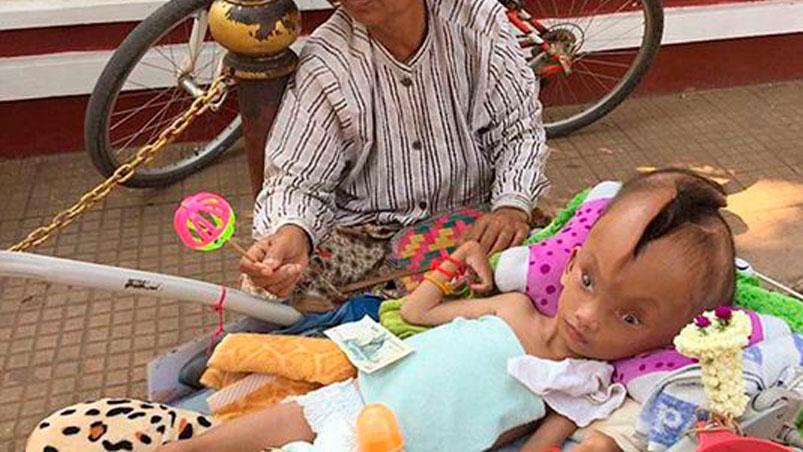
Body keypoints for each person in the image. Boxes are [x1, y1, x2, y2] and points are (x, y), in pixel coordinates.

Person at [157, 169, 737, 452]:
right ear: (570, 264)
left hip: (412, 446)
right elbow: (417, 311)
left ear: (667, 337)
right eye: (588, 280)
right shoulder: (510, 305)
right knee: (266, 424)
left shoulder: (590, 385)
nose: (588, 313)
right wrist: (450, 274)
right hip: (362, 393)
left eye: (630, 318)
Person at [240, 0, 549, 311]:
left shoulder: (479, 22)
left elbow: (518, 131)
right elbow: (297, 180)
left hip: (476, 223)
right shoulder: (328, 60)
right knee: (272, 289)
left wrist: (511, 206)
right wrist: (294, 231)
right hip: (373, 242)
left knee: (559, 275)